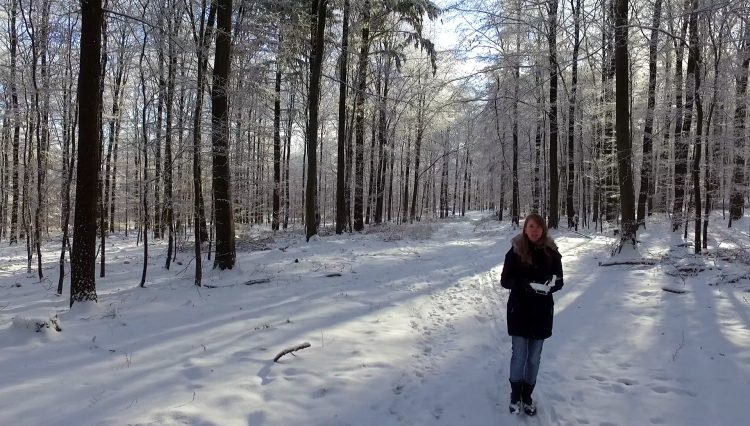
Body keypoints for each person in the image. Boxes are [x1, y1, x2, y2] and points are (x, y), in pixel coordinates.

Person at [500, 213, 564, 416]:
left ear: (543, 229)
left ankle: (527, 395)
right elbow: (505, 280)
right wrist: (522, 284)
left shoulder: (552, 252)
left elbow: (560, 280)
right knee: (519, 356)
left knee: (534, 358)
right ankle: (514, 394)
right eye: (531, 226)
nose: (535, 230)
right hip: (519, 309)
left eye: (538, 226)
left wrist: (549, 285)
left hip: (542, 312)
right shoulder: (515, 250)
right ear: (525, 229)